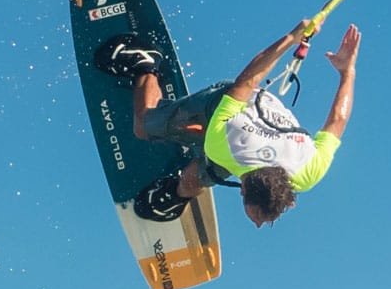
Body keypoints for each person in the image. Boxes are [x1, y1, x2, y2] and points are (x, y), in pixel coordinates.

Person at [98, 19, 360, 228]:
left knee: (203, 175)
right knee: (145, 127)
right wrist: (291, 37)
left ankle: (176, 192)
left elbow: (337, 121)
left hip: (234, 140)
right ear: (243, 187)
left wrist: (347, 71)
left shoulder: (308, 173)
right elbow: (247, 81)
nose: (258, 225)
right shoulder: (226, 143)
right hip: (224, 105)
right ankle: (145, 64)